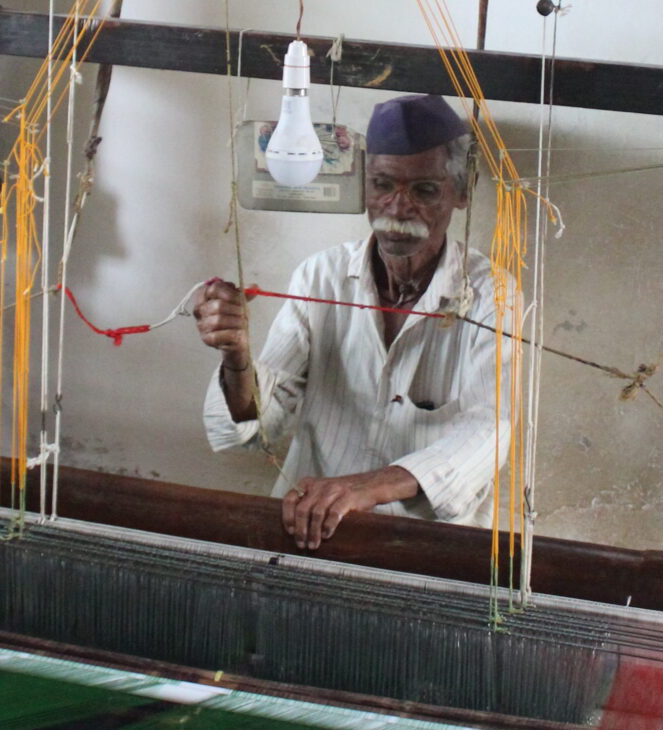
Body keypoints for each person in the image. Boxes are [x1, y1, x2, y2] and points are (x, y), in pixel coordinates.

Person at [194, 92, 506, 550]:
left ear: (461, 192)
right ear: (364, 189)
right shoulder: (320, 276)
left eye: (424, 190)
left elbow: (488, 430)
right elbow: (259, 427)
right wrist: (237, 357)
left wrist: (364, 487)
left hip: (429, 546)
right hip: (314, 531)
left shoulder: (493, 295)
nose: (398, 207)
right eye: (382, 185)